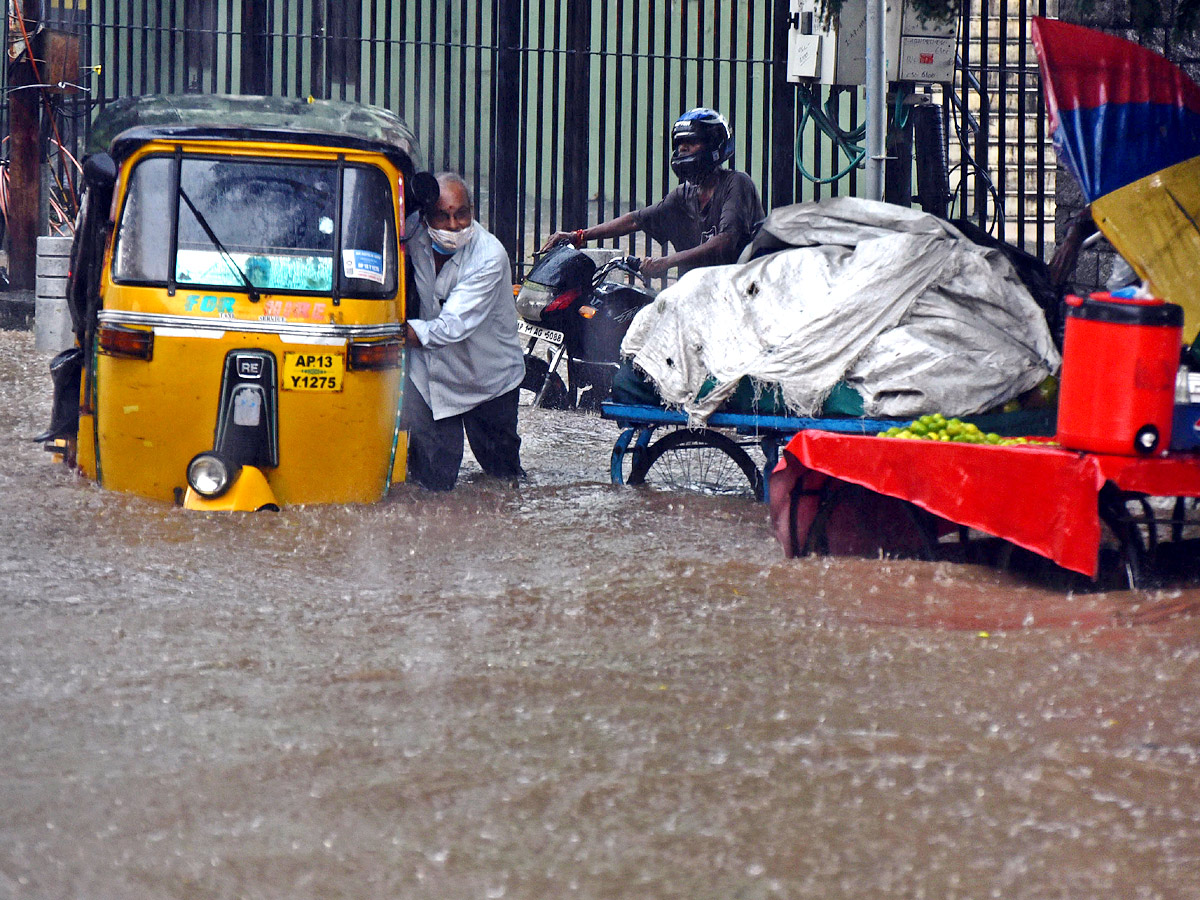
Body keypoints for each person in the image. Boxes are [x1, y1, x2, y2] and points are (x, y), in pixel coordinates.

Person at [402, 172, 526, 491]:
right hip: (428, 375)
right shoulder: (411, 234)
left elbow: (450, 327)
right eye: (443, 216)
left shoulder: (489, 257)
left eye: (462, 214)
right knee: (431, 482)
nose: (455, 225)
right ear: (425, 216)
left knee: (502, 480)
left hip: (487, 379)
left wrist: (394, 333)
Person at [543, 108, 764, 278]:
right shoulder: (683, 196)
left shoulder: (736, 184)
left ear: (715, 146)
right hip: (698, 293)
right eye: (679, 144)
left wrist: (666, 262)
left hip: (739, 291)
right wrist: (579, 235)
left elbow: (725, 240)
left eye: (691, 142)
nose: (682, 149)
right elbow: (635, 221)